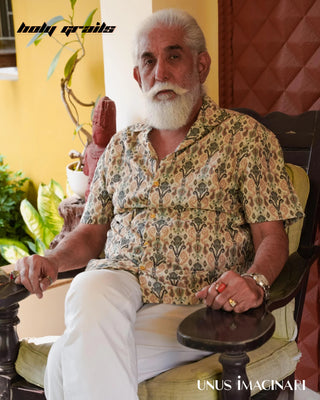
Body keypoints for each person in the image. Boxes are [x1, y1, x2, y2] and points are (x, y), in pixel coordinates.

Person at [13, 8, 303, 400]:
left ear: (201, 65)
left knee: (66, 360)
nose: (160, 73)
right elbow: (90, 231)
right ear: (138, 75)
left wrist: (256, 281)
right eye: (148, 61)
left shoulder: (245, 140)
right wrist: (53, 259)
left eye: (174, 56)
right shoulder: (121, 147)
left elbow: (272, 236)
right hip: (117, 285)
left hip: (196, 305)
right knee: (88, 287)